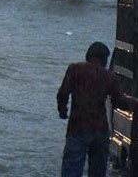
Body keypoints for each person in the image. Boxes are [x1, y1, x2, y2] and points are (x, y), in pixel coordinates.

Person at [57, 42, 138, 177]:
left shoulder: (75, 69)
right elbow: (119, 102)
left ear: (88, 55)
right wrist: (134, 104)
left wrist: (62, 111)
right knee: (98, 172)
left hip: (77, 128)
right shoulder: (109, 76)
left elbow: (63, 94)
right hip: (100, 131)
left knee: (71, 170)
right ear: (104, 59)